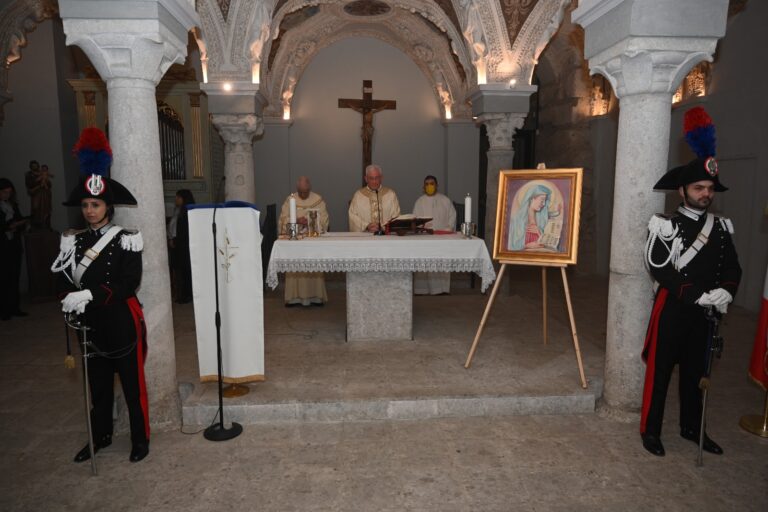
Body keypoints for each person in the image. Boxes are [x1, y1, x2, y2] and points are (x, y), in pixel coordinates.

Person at [640, 107, 741, 457]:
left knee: (697, 376)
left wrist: (725, 292)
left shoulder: (723, 229)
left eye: (710, 188)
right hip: (673, 310)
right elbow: (660, 268)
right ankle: (651, 431)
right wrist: (697, 294)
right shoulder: (666, 225)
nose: (706, 194)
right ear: (682, 190)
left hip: (705, 315)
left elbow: (733, 268)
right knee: (661, 374)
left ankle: (691, 428)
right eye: (699, 188)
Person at [50, 128, 150, 463]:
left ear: (108, 206)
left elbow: (127, 283)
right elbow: (64, 278)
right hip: (90, 325)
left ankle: (140, 438)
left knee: (133, 387)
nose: (90, 210)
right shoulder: (72, 240)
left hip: (120, 320)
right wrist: (69, 297)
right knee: (99, 387)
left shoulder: (126, 238)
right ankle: (101, 436)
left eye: (96, 204)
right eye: (86, 205)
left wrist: (89, 294)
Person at [278, 177, 330, 306]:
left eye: (305, 192)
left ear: (310, 188)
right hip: (296, 240)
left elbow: (324, 219)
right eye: (301, 192)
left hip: (313, 239)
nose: (303, 195)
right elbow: (283, 219)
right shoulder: (290, 200)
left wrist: (311, 221)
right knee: (295, 265)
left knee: (313, 265)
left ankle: (316, 296)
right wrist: (295, 220)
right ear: (297, 189)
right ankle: (293, 297)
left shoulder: (318, 199)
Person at [412, 175, 456, 295]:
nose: (429, 186)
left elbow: (452, 216)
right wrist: (423, 229)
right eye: (427, 184)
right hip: (425, 238)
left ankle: (441, 289)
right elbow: (415, 220)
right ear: (423, 186)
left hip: (442, 238)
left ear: (437, 185)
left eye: (432, 183)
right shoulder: (419, 202)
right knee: (424, 262)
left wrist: (447, 229)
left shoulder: (445, 200)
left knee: (441, 262)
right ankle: (422, 289)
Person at [0, 178, 28, 320]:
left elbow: (19, 220)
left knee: (14, 277)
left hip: (13, 246)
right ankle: (4, 311)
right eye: (4, 192)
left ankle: (14, 307)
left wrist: (20, 224)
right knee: (3, 279)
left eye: (9, 193)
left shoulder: (13, 205)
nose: (7, 195)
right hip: (2, 247)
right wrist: (8, 227)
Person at [507, 183, 560, 251]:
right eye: (542, 200)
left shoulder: (543, 220)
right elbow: (511, 247)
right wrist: (526, 246)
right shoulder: (516, 221)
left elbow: (551, 244)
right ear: (532, 199)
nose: (543, 204)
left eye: (545, 201)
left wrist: (539, 232)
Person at [348, 164, 400, 233]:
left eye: (377, 178)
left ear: (381, 178)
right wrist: (367, 226)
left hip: (386, 236)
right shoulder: (358, 195)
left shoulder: (390, 194)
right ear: (366, 179)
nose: (374, 182)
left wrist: (383, 226)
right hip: (365, 238)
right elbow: (353, 216)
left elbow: (396, 216)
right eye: (371, 178)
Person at [169, 189, 195, 304]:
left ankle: (187, 295)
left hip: (184, 246)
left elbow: (185, 232)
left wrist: (176, 241)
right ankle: (182, 294)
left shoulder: (188, 212)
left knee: (186, 272)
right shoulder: (178, 211)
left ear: (184, 198)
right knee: (180, 271)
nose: (176, 199)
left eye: (178, 197)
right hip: (178, 244)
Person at [25, 160, 53, 230]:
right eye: (33, 166)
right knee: (36, 208)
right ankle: (36, 225)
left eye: (36, 165)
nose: (34, 167)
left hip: (44, 194)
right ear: (31, 167)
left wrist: (45, 181)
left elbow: (49, 184)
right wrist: (38, 181)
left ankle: (46, 225)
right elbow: (29, 184)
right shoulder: (29, 174)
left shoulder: (42, 173)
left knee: (46, 209)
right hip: (36, 194)